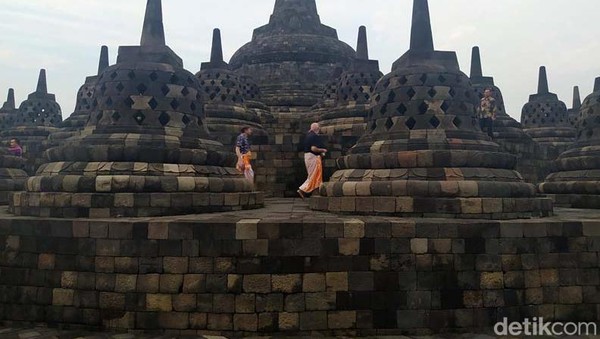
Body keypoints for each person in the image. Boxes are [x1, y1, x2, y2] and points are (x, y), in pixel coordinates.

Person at [298, 123, 327, 199]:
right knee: (314, 175)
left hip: (308, 156)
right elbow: (313, 148)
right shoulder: (314, 136)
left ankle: (315, 192)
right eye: (319, 128)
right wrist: (322, 150)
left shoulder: (308, 136)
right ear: (317, 129)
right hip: (313, 156)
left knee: (314, 175)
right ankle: (302, 189)